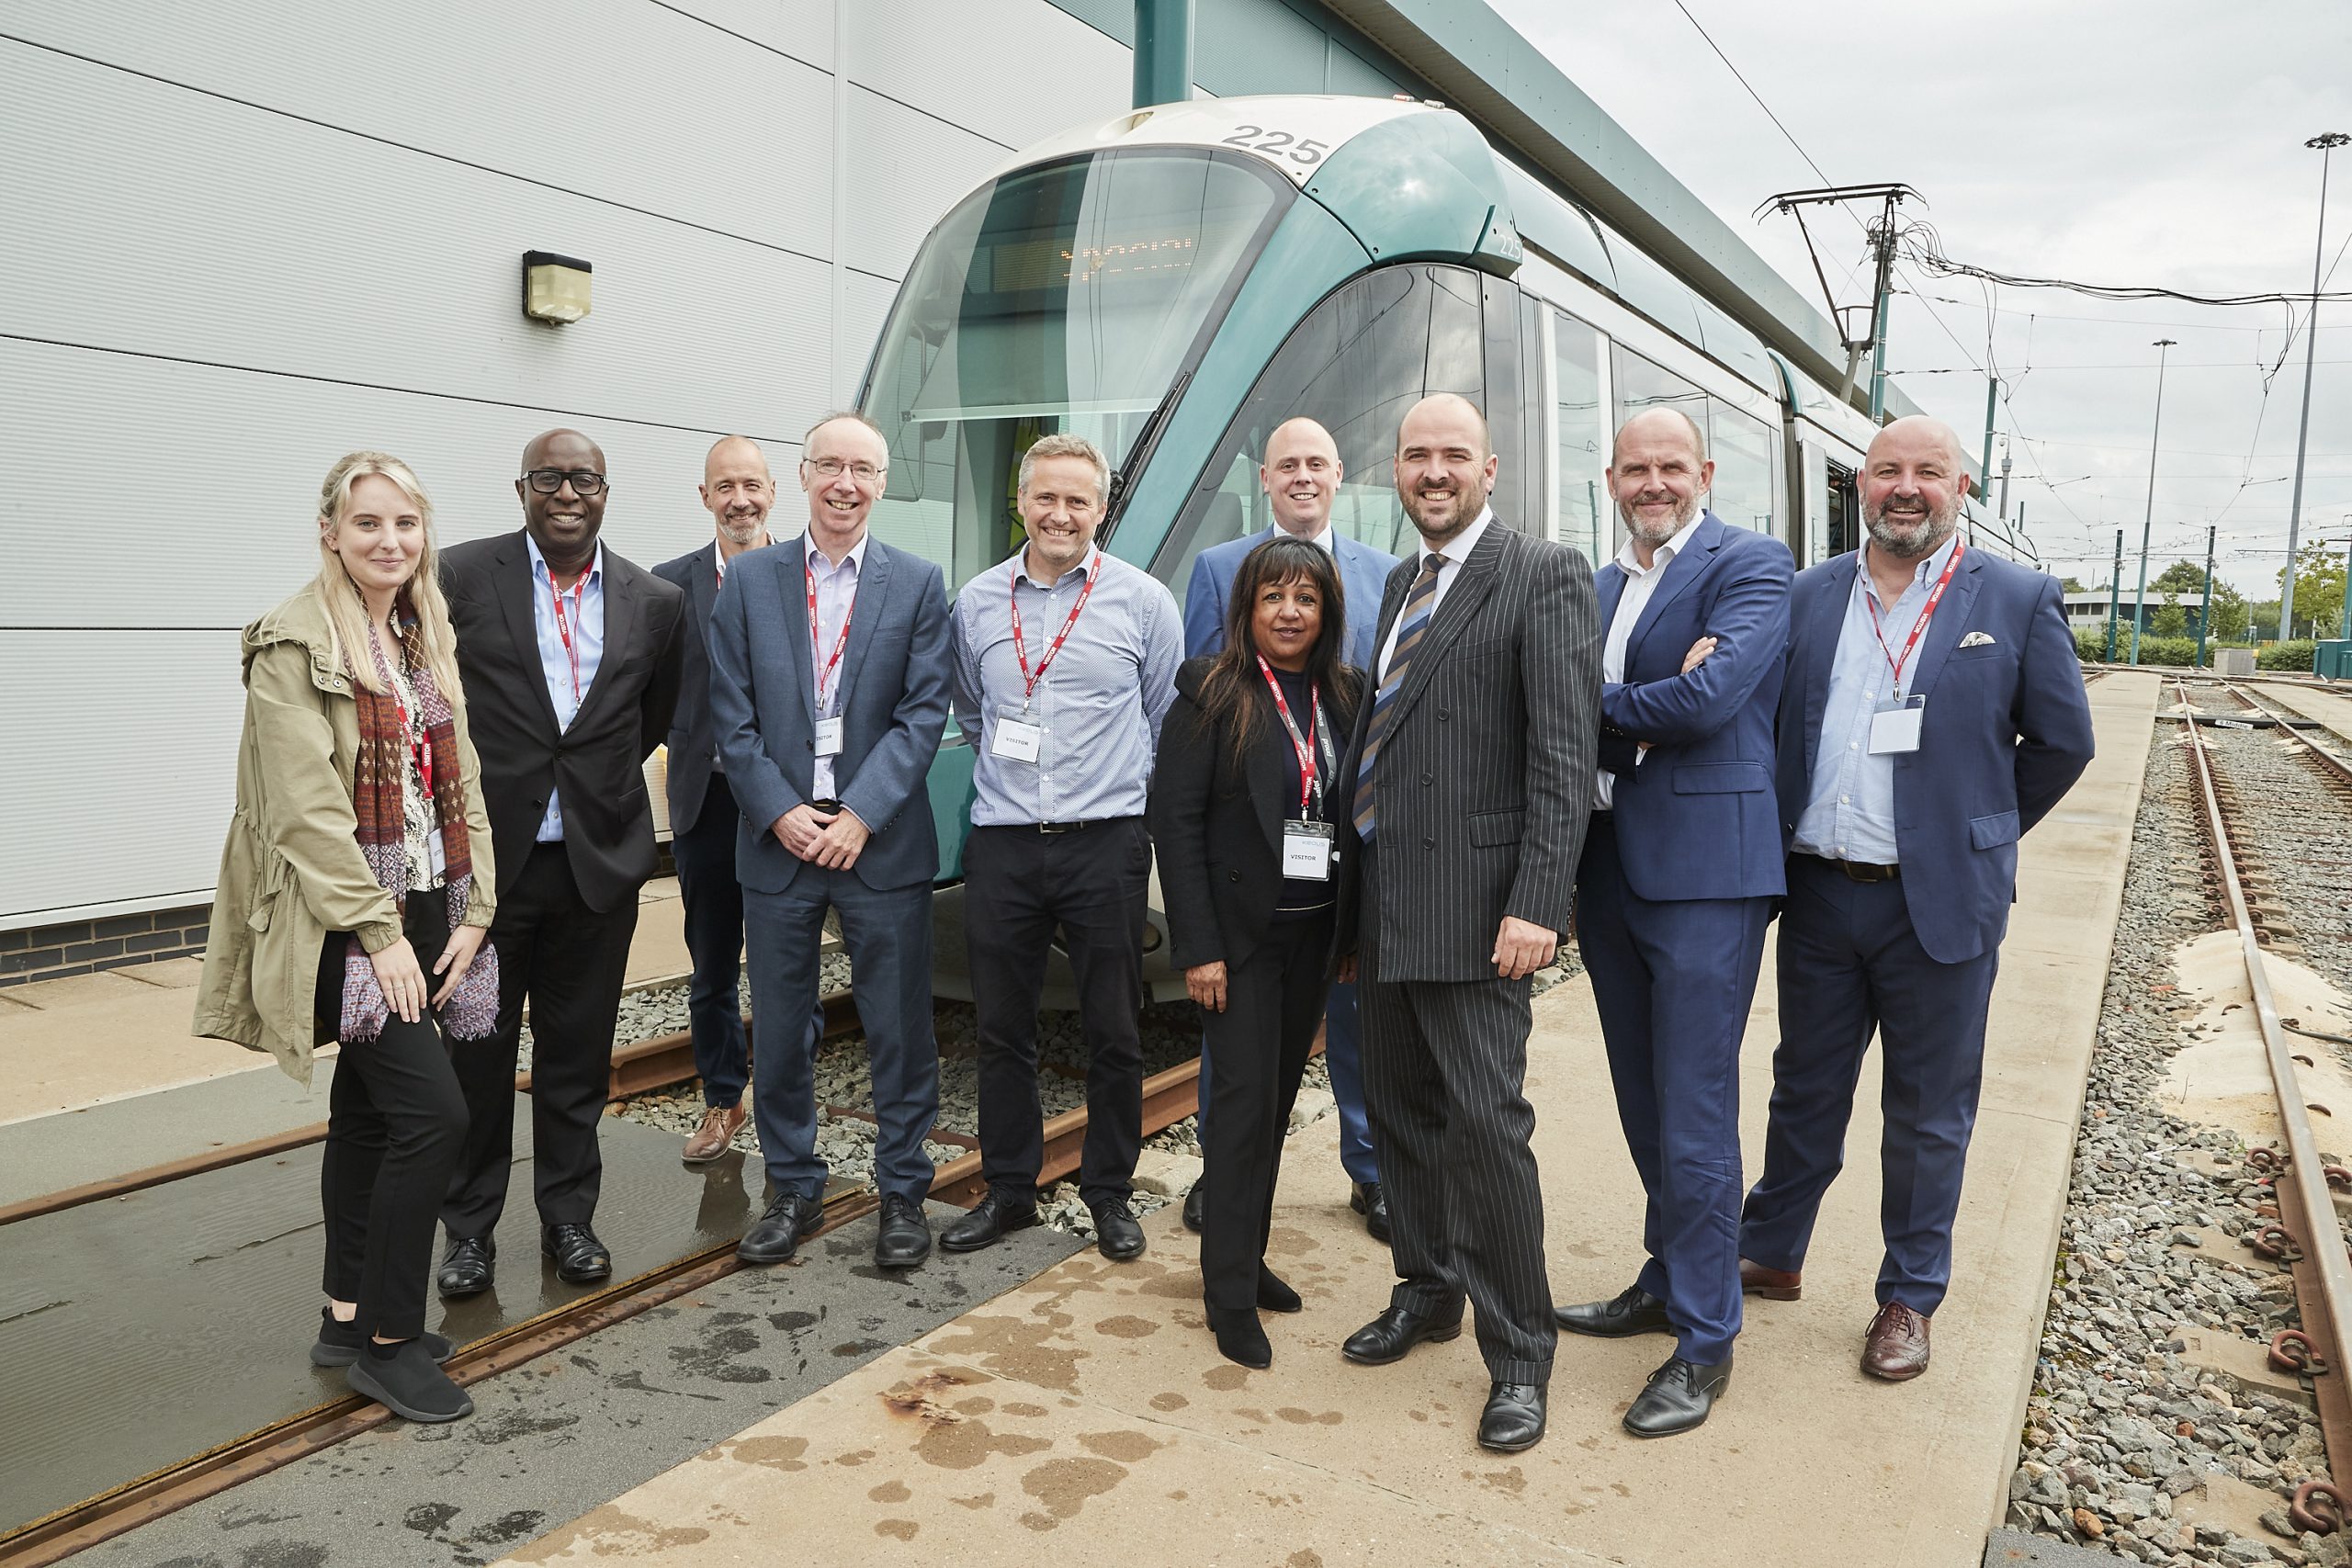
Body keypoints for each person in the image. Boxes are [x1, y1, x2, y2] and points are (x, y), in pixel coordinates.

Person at [1738, 414, 2094, 1382]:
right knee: (1802, 1086)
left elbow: (2063, 743)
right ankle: (1770, 1251)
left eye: (1927, 472)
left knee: (1929, 1110)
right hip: (1819, 893)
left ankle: (1907, 1295)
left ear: (1960, 488)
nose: (1906, 487)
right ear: (1860, 483)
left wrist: (1974, 833)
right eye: (1888, 470)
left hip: (1937, 906)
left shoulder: (2015, 599)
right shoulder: (1810, 594)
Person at [193, 452, 499, 1424]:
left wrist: (475, 909)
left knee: (369, 1119)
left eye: (404, 524)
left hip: (420, 902)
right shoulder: (293, 643)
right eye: (367, 524)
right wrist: (379, 935)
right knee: (433, 1118)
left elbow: (464, 787)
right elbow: (306, 813)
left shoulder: (417, 631)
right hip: (340, 919)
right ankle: (389, 1343)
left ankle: (344, 1315)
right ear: (330, 531)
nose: (389, 542)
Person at [1338, 392, 1599, 1456]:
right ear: (1394, 471)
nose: (1432, 472)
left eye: (1453, 455)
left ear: (1491, 469)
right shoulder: (1404, 580)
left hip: (1481, 910)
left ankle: (1520, 1352)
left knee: (1486, 1130)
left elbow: (1562, 756)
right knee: (1400, 1116)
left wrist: (1539, 901)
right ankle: (1427, 1288)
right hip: (1390, 904)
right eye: (1415, 456)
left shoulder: (1543, 572)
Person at [1549, 409, 1792, 1438]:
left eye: (1670, 467)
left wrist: (1599, 699)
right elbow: (1589, 705)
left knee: (1693, 1111)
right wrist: (1641, 695)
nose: (1653, 484)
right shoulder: (1597, 586)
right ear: (1610, 479)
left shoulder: (1752, 564)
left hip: (1703, 876)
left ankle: (1705, 1339)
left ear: (1702, 472)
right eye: (1634, 470)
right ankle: (1665, 1277)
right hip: (1607, 873)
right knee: (1643, 1102)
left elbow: (1705, 703)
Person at [435, 429, 684, 1296]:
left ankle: (569, 1218)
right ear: (522, 488)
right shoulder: (460, 576)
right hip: (487, 877)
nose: (567, 492)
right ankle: (467, 1231)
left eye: (584, 478)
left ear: (607, 492)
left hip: (596, 867)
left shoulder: (655, 600)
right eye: (550, 477)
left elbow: (648, 717)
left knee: (577, 1055)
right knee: (477, 1055)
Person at [707, 412, 952, 1269]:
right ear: (803, 475)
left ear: (883, 484)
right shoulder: (747, 583)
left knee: (897, 1025)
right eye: (830, 466)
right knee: (777, 1027)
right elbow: (729, 720)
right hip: (779, 843)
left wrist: (860, 814)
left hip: (876, 843)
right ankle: (794, 1187)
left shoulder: (920, 584)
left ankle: (902, 1192)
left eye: (864, 469)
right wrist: (778, 810)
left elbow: (926, 714)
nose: (846, 482)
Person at [942, 433, 1183, 1262]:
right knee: (1001, 1028)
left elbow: (1162, 724)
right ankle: (1009, 1189)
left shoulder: (1144, 603)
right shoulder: (975, 602)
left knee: (1114, 1025)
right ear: (1021, 502)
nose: (1060, 513)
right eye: (1046, 497)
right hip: (1005, 844)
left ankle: (1109, 1192)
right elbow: (973, 712)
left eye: (1078, 500)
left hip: (1105, 843)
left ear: (1101, 509)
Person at [1178, 418, 1397, 1243]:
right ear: (1264, 478)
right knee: (1233, 1016)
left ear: (1339, 473)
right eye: (1287, 465)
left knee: (1353, 1012)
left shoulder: (1387, 573)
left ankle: (1370, 1170)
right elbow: (1203, 702)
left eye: (1317, 462)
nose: (1303, 476)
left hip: (1347, 836)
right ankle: (1221, 1167)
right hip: (1252, 855)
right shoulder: (1218, 568)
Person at [1153, 536, 1363, 1368]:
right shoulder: (1210, 693)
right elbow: (1176, 823)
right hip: (1237, 947)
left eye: (1305, 599)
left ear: (1326, 611)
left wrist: (1349, 936)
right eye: (1272, 596)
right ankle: (1226, 1293)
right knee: (1240, 1114)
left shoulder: (1347, 694)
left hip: (1313, 939)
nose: (1289, 612)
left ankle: (1249, 1254)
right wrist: (1198, 949)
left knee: (1274, 1107)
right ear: (1246, 608)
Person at [653, 436, 779, 1164]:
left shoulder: (802, 575)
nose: (740, 498)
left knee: (783, 959)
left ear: (772, 493)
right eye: (724, 485)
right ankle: (723, 1097)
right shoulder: (669, 587)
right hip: (706, 801)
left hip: (784, 804)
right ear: (704, 496)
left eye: (751, 485)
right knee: (711, 965)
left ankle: (787, 1094)